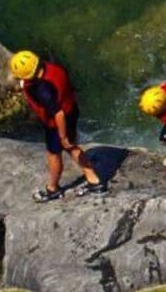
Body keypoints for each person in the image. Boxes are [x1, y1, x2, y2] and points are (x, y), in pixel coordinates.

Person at [9, 50, 106, 202]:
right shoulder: (52, 68)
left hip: (57, 123)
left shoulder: (41, 90)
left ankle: (52, 189)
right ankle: (94, 181)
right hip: (71, 110)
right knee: (71, 147)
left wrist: (62, 136)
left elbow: (58, 113)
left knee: (54, 154)